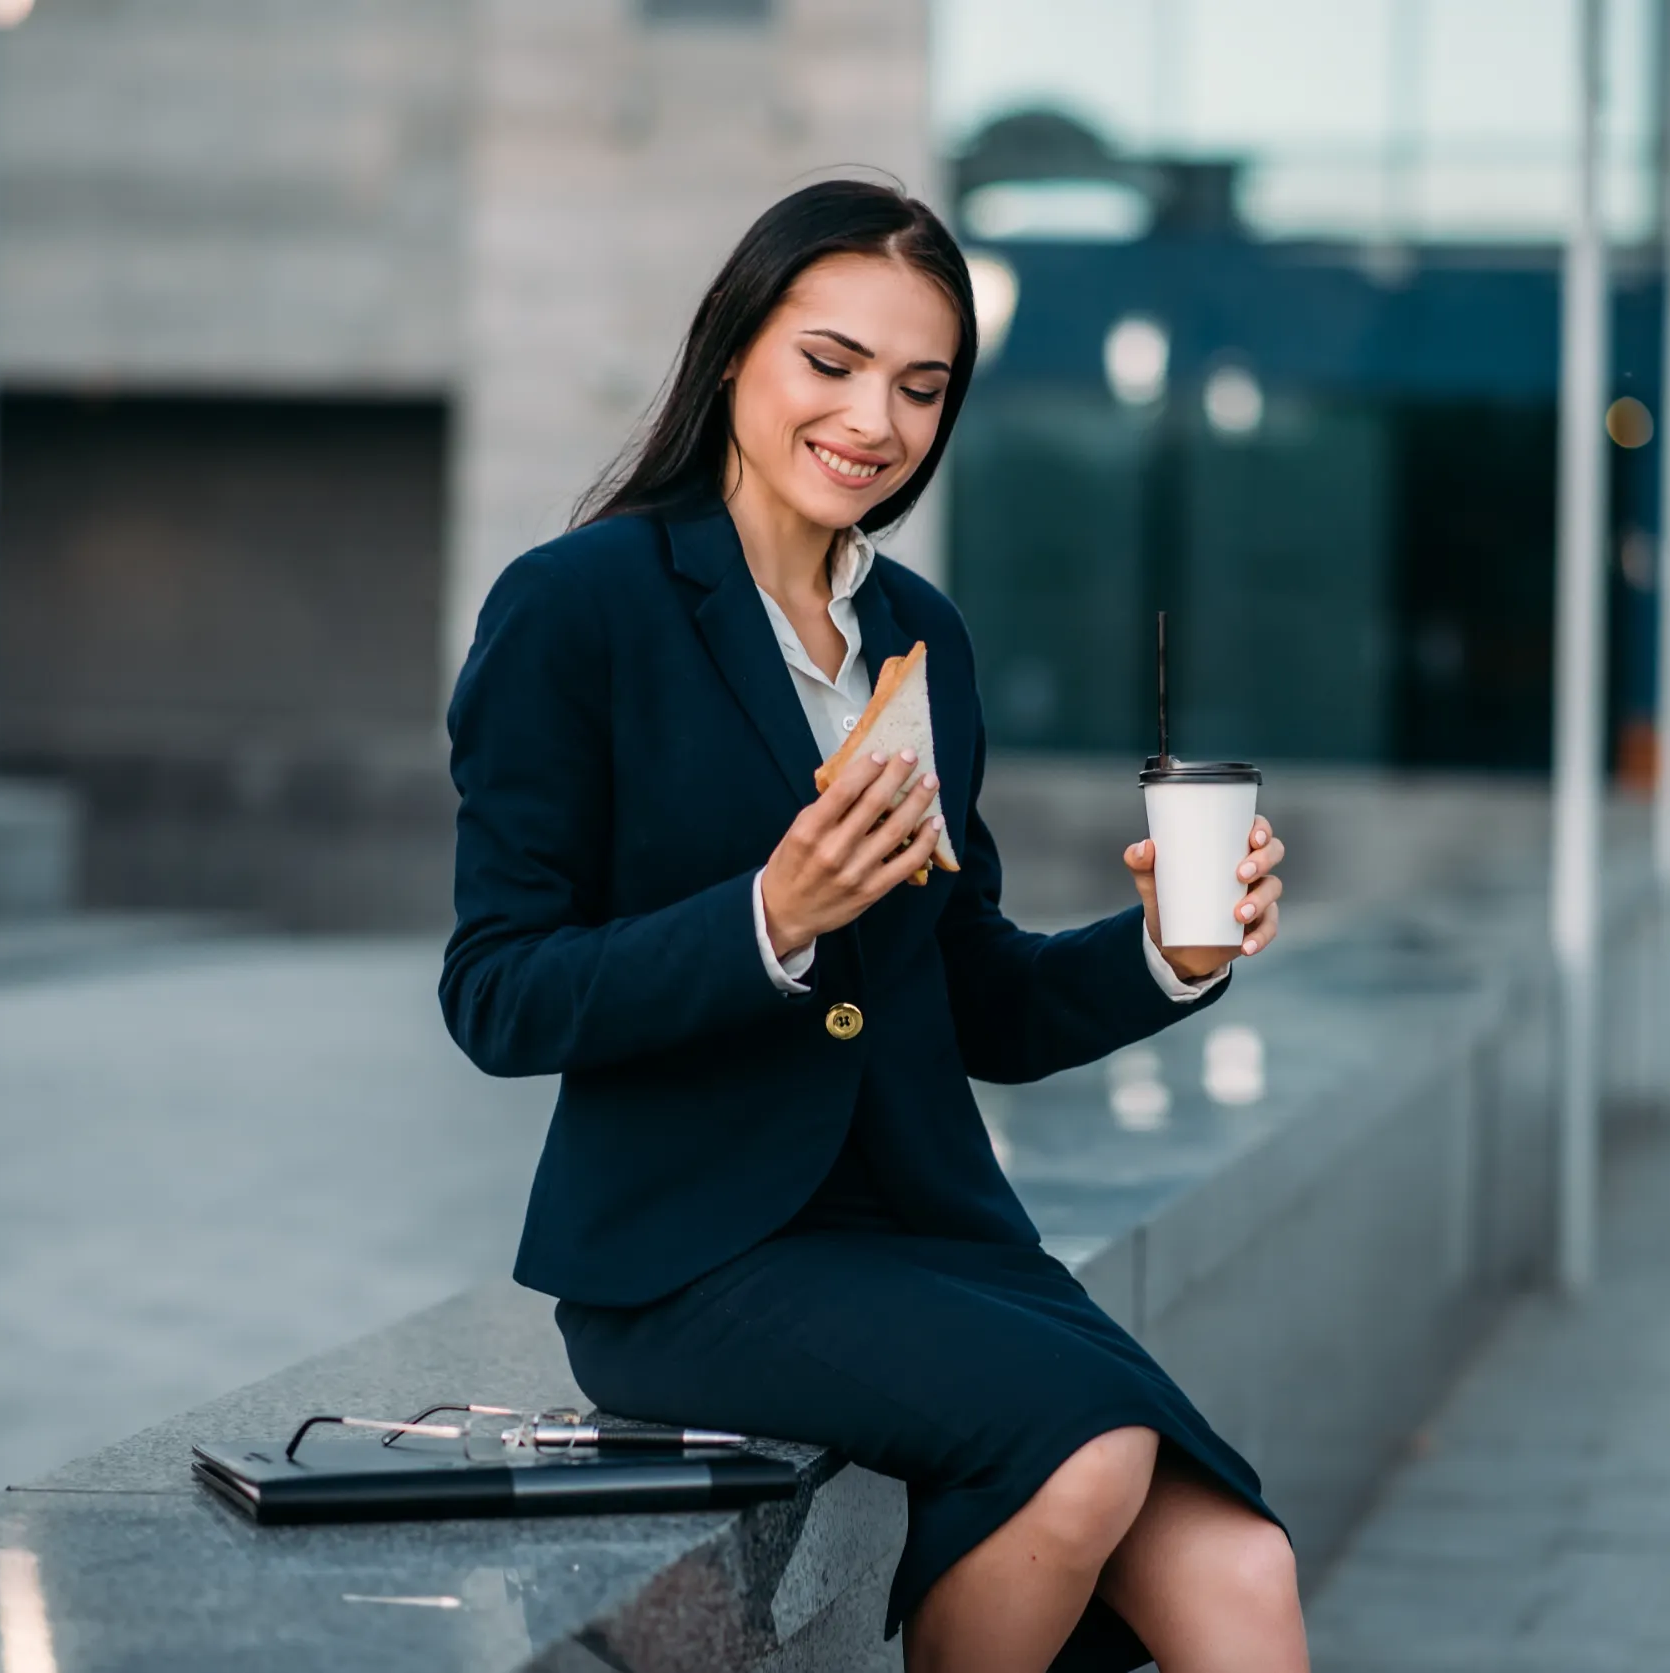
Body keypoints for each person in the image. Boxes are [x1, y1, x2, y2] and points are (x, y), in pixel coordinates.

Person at [440, 178, 1304, 1673]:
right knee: (1085, 1457)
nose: (874, 421)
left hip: (930, 1229)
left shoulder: (920, 638)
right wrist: (768, 920)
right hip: (692, 1259)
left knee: (1243, 1562)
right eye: (828, 363)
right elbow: (498, 994)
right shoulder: (576, 609)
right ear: (733, 356)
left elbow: (976, 998)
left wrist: (1170, 945)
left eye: (921, 387)